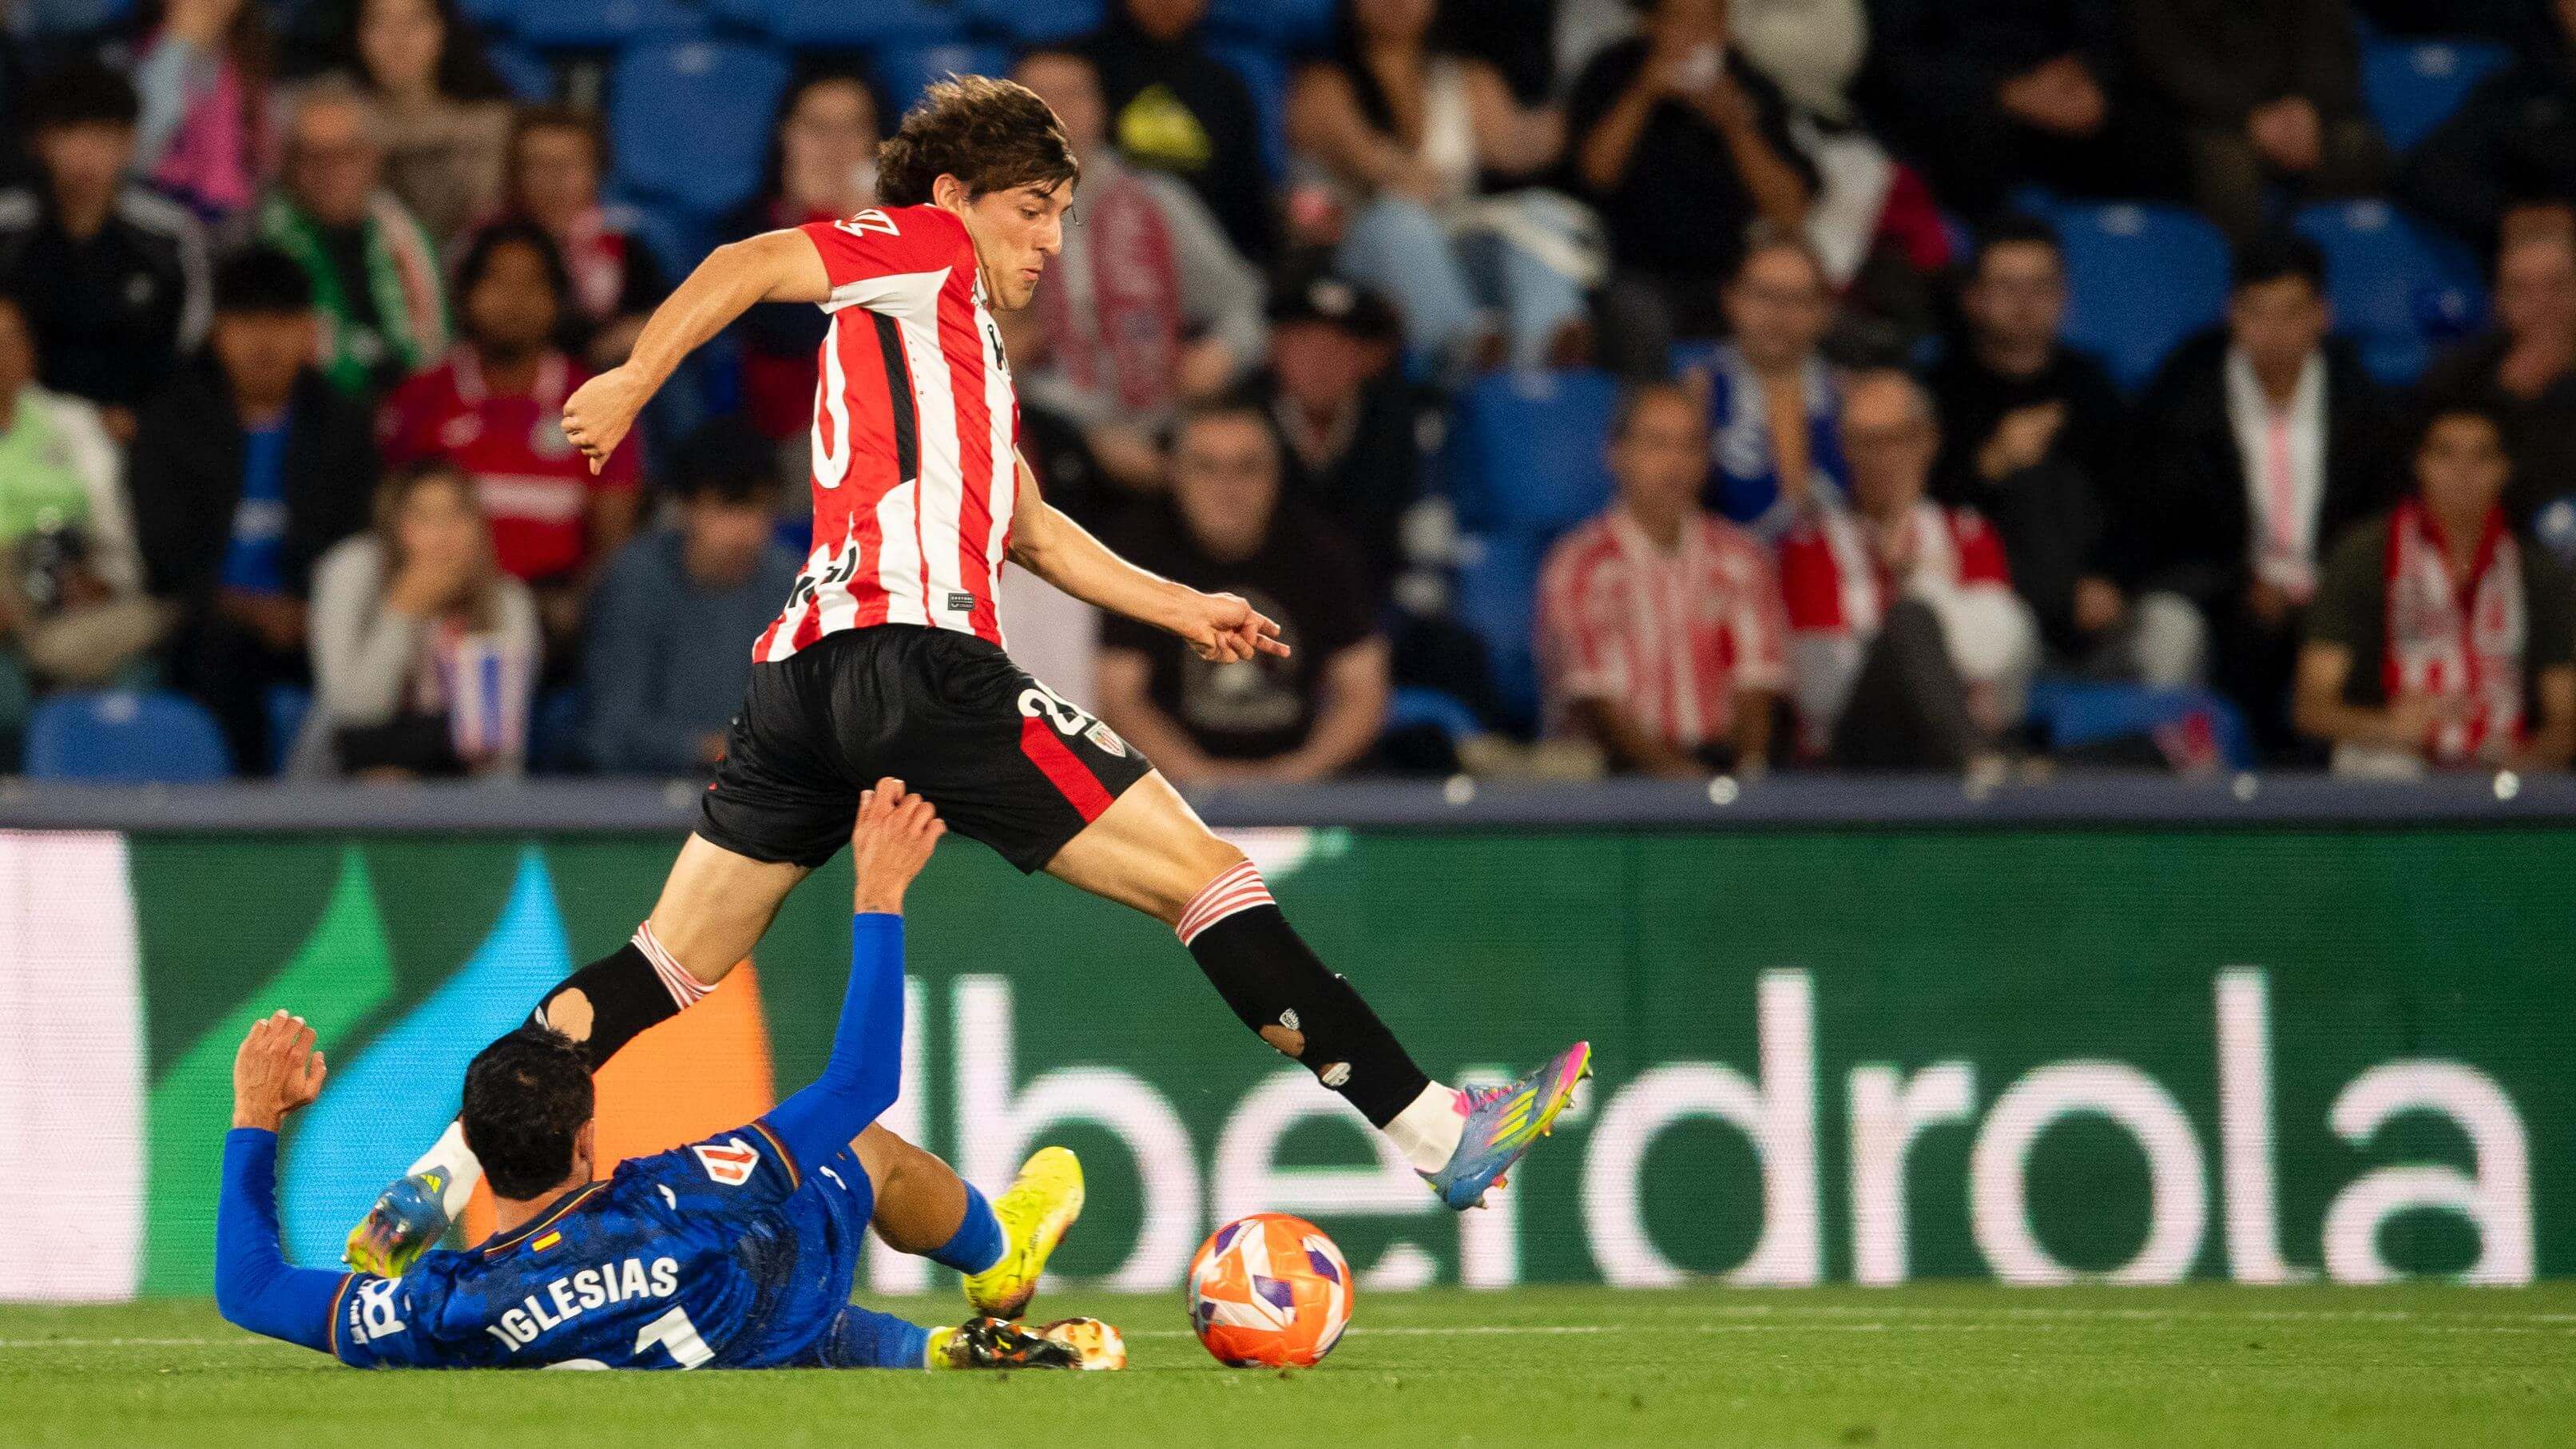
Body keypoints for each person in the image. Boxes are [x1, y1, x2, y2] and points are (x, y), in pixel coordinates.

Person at [345, 75, 1588, 1278]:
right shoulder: (924, 245)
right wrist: (632, 377)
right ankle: (1435, 1128)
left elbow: (1035, 534)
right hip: (918, 663)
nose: (1052, 240)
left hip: (798, 686)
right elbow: (744, 266)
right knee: (1208, 879)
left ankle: (437, 1174)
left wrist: (1186, 605)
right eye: (1032, 209)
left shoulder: (958, 358)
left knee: (662, 967)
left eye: (1063, 213)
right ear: (955, 193)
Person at [216, 784, 1123, 1371]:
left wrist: (255, 1116)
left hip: (705, 1351)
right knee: (858, 1151)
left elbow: (248, 1286)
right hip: (752, 1303)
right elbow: (860, 1083)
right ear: (586, 1137)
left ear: (483, 1164)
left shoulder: (439, 1307)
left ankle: (932, 1350)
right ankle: (997, 1268)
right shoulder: (682, 1193)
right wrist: (878, 896)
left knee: (761, 1329)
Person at [2131, 236, 2391, 760]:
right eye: (2257, 314)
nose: (2272, 333)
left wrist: (2328, 592)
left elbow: (2379, 522)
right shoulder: (2182, 402)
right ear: (2232, 314)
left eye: (2291, 313)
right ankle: (2197, 799)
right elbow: (2159, 527)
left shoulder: (2364, 407)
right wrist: (2239, 584)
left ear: (2322, 315)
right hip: (2223, 604)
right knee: (2185, 633)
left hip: (2333, 604)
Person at [129, 248, 379, 773]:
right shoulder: (172, 421)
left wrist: (309, 609)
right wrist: (248, 610)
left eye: (283, 322)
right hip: (206, 622)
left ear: (309, 331)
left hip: (315, 618)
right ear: (218, 331)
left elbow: (356, 541)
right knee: (217, 650)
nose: (265, 341)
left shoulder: (342, 424)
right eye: (246, 321)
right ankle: (242, 824)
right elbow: (164, 554)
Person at [1095, 399, 1391, 784]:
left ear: (1277, 475)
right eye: (1206, 467)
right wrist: (1197, 778)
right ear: (1175, 475)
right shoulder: (1133, 553)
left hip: (1304, 790)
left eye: (1247, 468)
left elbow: (1363, 691)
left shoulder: (1324, 551)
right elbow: (1117, 696)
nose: (1227, 488)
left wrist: (1296, 775)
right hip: (1165, 790)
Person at [377, 221, 640, 650]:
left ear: (557, 300)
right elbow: (392, 524)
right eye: (497, 282)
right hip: (438, 611)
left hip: (556, 618)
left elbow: (611, 543)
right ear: (465, 296)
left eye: (532, 284)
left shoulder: (599, 403)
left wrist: (574, 612)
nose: (514, 302)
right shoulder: (420, 397)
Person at [1288, 0, 1589, 372]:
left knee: (1541, 211)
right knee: (1400, 219)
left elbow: (1518, 147)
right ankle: (1461, 350)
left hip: (1453, 248)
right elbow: (1376, 165)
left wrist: (1587, 105)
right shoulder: (1323, 84)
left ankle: (1544, 354)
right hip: (1364, 252)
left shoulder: (1466, 79)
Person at [1011, 49, 1264, 488]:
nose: (1056, 113)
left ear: (1101, 109)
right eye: (1038, 99)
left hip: (1163, 430)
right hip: (1042, 437)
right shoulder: (977, 217)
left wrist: (1220, 354)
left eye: (1073, 95)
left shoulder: (1157, 201)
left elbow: (1246, 306)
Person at [2295, 405, 2575, 776]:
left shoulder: (2535, 570)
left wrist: (2526, 757)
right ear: (2419, 464)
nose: (2463, 472)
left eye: (2481, 457)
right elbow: (2312, 707)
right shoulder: (2365, 554)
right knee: (2382, 768)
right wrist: (2388, 727)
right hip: (2393, 753)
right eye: (2445, 454)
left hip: (2505, 758)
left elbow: (2566, 719)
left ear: (2504, 471)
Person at [1925, 216, 2149, 677]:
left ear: (2064, 296)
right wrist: (1990, 465)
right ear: (1974, 298)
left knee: (2170, 628)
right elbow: (1916, 512)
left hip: (2095, 606)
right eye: (2007, 286)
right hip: (1986, 604)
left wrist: (2110, 578)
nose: (2025, 302)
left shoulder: (2094, 389)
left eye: (2041, 286)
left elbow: (2140, 503)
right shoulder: (1937, 393)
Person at [1778, 370, 2036, 768]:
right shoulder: (1810, 547)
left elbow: (1998, 658)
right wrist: (1912, 595)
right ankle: (1980, 762)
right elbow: (1822, 693)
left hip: (1955, 737)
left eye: (1895, 439)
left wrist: (1915, 580)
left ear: (1926, 441)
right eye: (1865, 442)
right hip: (1859, 747)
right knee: (1911, 618)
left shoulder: (1968, 536)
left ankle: (1977, 759)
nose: (1880, 458)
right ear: (1845, 449)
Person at [1538, 380, 1788, 776]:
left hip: (1720, 768)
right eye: (1657, 444)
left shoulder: (1742, 557)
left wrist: (1744, 780)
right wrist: (1678, 783)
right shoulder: (1580, 563)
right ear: (1616, 453)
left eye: (1691, 446)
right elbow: (1594, 702)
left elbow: (1757, 681)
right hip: (1615, 779)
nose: (1676, 463)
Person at [1567, 0, 1815, 376]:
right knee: (1639, 318)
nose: (1694, 37)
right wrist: (1642, 94)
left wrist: (1736, 127)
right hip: (1628, 271)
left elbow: (1789, 208)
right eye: (1681, 21)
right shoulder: (1613, 71)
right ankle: (1659, 431)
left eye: (1708, 23)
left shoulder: (1749, 85)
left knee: (1804, 316)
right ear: (1651, 24)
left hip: (1727, 277)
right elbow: (1594, 174)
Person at [581, 418, 804, 776]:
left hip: (757, 800)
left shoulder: (787, 583)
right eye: (726, 508)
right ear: (685, 508)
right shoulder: (636, 579)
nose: (745, 532)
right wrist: (714, 749)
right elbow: (609, 735)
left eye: (759, 509)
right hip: (638, 803)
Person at [0, 60, 211, 434]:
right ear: (38, 142)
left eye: (105, 133)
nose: (88, 150)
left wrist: (144, 419)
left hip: (138, 433)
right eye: (70, 131)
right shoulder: (7, 228)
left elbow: (190, 349)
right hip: (18, 436)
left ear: (130, 143)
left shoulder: (170, 235)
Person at [296, 461, 539, 780]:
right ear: (394, 526)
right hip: (351, 771)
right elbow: (351, 711)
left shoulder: (507, 600)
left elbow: (503, 748)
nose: (444, 534)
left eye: (457, 515)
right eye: (424, 518)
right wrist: (404, 611)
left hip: (464, 786)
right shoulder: (352, 570)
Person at [0, 291, 157, 753]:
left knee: (138, 680)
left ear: (30, 351)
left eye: (10, 341)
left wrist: (103, 580)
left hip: (67, 592)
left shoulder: (74, 422)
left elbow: (114, 529)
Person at [1862, 0, 2183, 219]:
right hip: (1965, 93)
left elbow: (2103, 31)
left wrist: (2092, 78)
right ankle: (2000, 269)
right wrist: (2003, 91)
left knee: (2151, 128)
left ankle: (2141, 265)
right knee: (1976, 135)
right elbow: (1895, 57)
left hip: (2061, 83)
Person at [2122, 0, 2383, 244]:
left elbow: (2329, 38)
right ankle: (2251, 281)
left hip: (2300, 103)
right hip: (2205, 115)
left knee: (2354, 144)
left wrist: (2308, 105)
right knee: (2229, 168)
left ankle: (2333, 275)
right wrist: (2248, 115)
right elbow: (2166, 60)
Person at [255, 77, 447, 399]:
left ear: (371, 159)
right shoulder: (265, 246)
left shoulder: (406, 236)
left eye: (343, 155)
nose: (327, 170)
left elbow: (433, 352)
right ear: (290, 165)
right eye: (311, 155)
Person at [720, 72, 880, 448]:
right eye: (818, 128)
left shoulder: (905, 225)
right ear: (786, 135)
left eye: (852, 128)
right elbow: (793, 331)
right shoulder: (745, 228)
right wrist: (824, 221)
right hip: (785, 433)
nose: (835, 147)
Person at [1252, 273, 1429, 603]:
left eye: (1338, 348)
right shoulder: (1243, 418)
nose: (1321, 363)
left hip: (1364, 607)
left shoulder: (1391, 420)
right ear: (1275, 349)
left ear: (1366, 360)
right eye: (1306, 345)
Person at [1078, 0, 1276, 263]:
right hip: (1095, 260)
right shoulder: (1075, 75)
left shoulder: (1225, 88)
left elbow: (1248, 219)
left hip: (1208, 274)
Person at [486, 106, 669, 371]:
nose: (556, 181)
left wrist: (631, 335)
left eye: (570, 165)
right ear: (514, 175)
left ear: (597, 172)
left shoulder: (622, 239)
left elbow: (663, 313)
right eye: (539, 165)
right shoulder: (492, 244)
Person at [2423, 231, 2576, 535]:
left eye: (2556, 286)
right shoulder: (2459, 380)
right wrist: (2511, 399)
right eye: (2522, 290)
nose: (2542, 304)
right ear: (2499, 302)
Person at [1694, 233, 1843, 539]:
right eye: (1763, 294)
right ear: (1731, 299)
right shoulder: (1695, 396)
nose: (1778, 313)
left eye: (1796, 299)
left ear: (1824, 312)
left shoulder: (1854, 400)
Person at [2400, 0, 2576, 258]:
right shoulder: (2522, 88)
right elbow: (2426, 171)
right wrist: (2513, 216)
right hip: (2529, 248)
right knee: (2539, 264)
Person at [342, 0, 513, 252]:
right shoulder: (334, 124)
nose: (397, 39)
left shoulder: (490, 126)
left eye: (414, 21)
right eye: (379, 22)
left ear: (444, 31)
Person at [132, 0, 278, 225]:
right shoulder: (128, 57)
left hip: (235, 222)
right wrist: (176, 45)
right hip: (157, 214)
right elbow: (136, 152)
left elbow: (263, 165)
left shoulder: (249, 64)